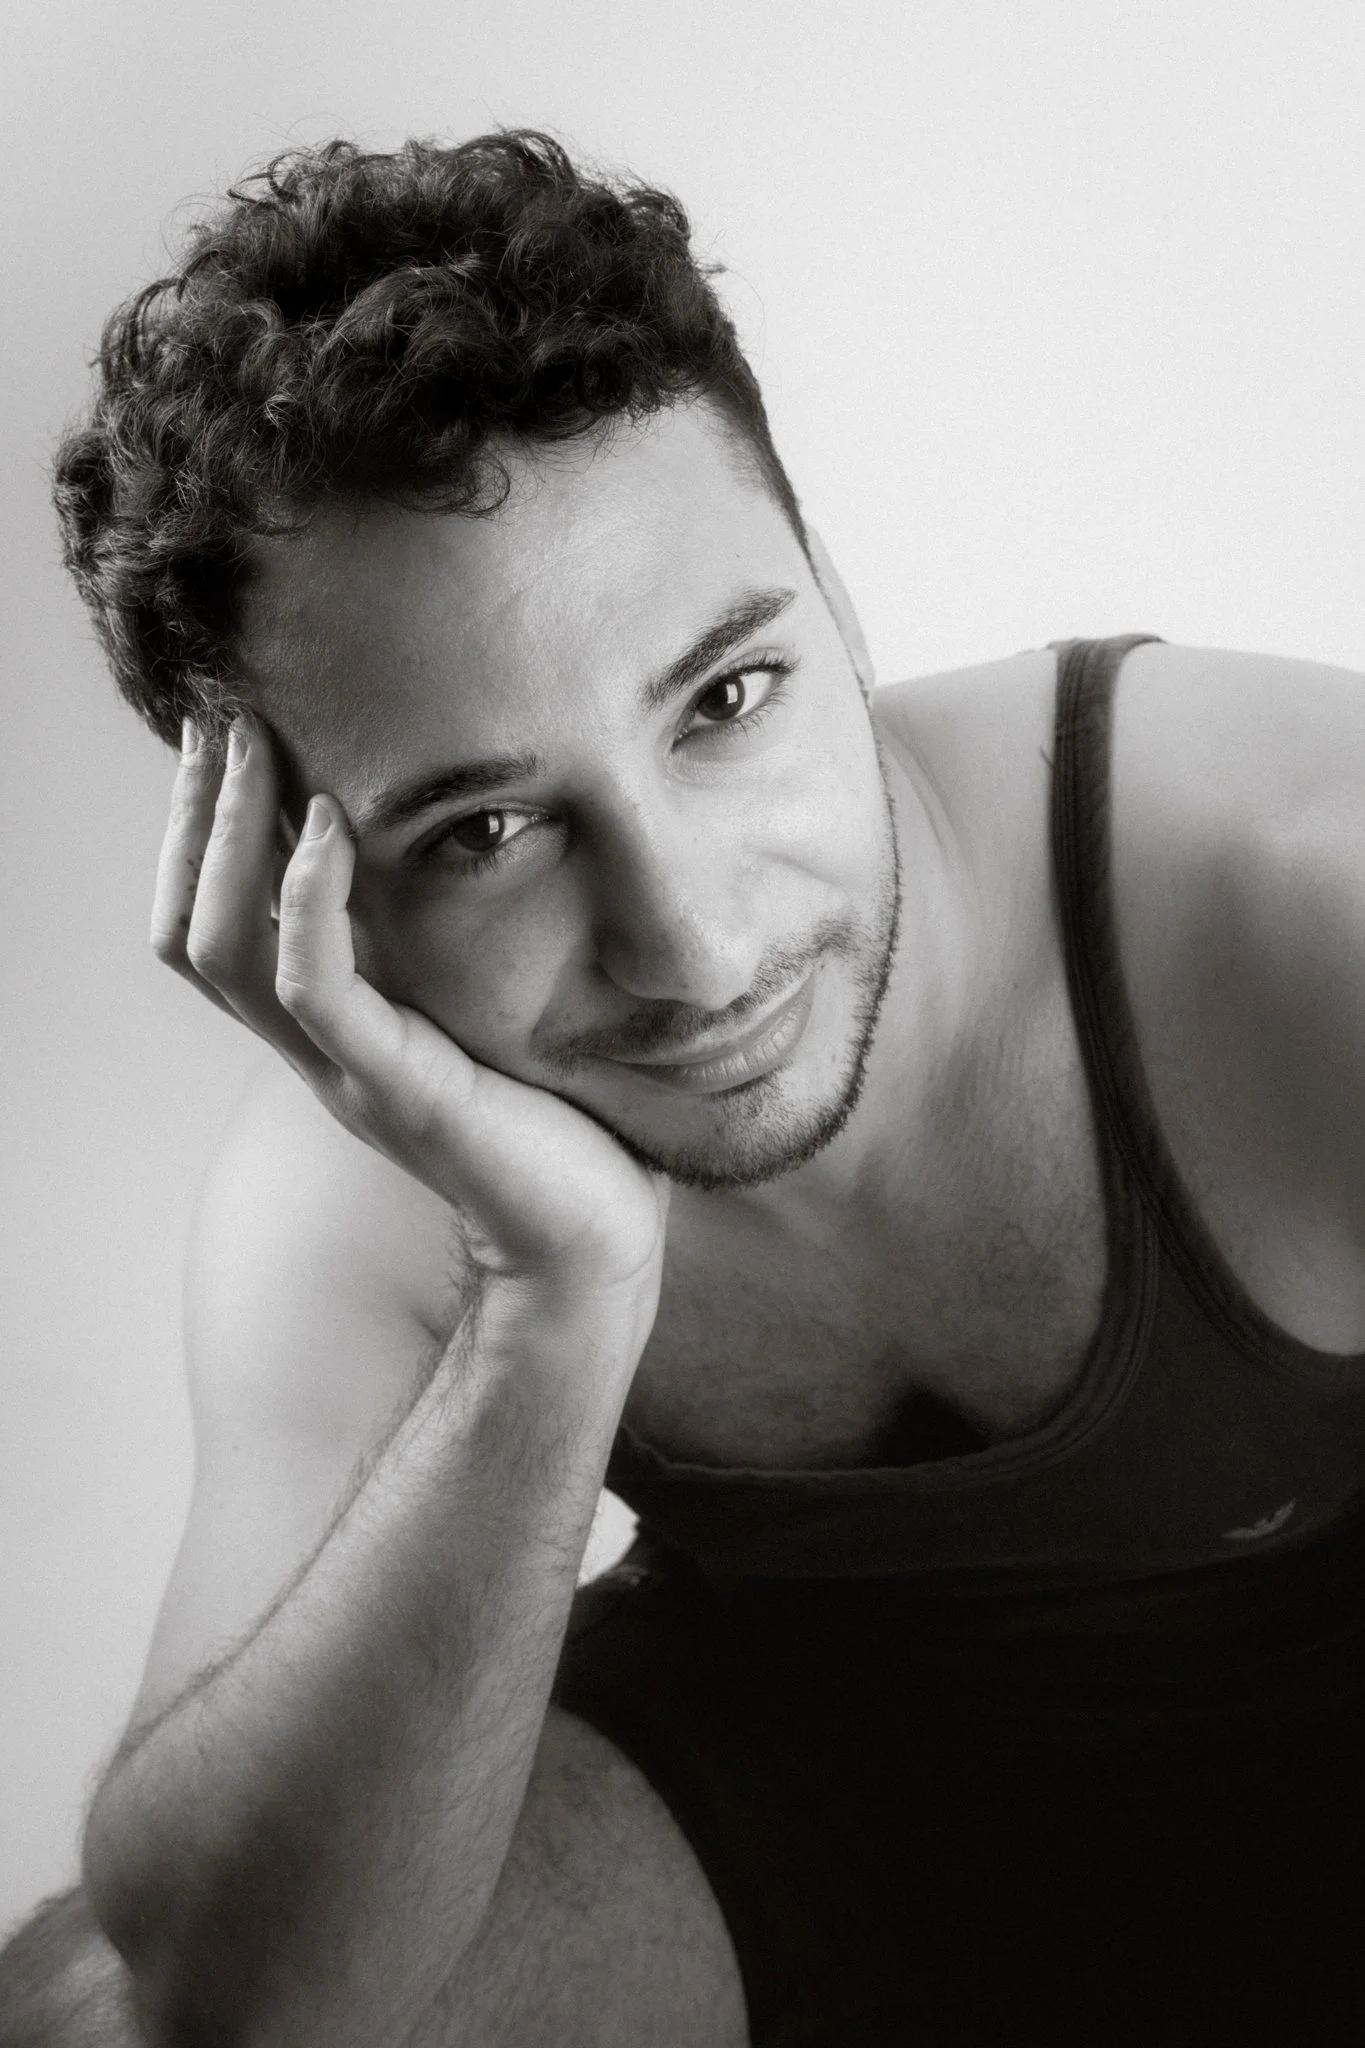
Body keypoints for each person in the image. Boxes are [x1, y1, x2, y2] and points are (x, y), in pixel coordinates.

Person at [4, 129, 1365, 2048]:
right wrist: (549, 1301)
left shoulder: (1301, 891)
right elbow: (234, 2000)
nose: (696, 944)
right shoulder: (366, 1197)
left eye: (726, 703)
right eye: (485, 830)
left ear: (835, 591)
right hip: (820, 1842)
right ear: (293, 881)